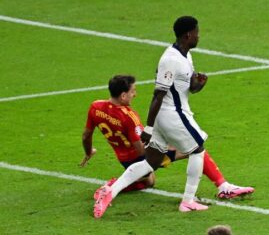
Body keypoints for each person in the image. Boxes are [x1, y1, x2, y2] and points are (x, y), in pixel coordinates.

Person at [95, 16, 228, 217]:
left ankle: (110, 192)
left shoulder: (186, 56)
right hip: (171, 115)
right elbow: (158, 95)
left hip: (171, 114)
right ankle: (188, 201)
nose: (199, 36)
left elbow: (190, 88)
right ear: (188, 34)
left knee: (151, 162)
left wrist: (200, 84)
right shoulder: (170, 60)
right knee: (198, 149)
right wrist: (149, 128)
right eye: (197, 33)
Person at [81, 74, 254, 199]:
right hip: (140, 157)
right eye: (133, 91)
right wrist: (166, 148)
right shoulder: (128, 116)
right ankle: (223, 186)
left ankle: (113, 186)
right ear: (123, 95)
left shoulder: (95, 107)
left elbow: (86, 135)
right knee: (194, 148)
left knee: (149, 182)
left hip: (123, 159)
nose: (135, 94)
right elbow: (141, 149)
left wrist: (89, 151)